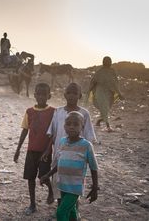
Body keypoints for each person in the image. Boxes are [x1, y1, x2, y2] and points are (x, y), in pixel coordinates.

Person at [41, 83, 97, 213]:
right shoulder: (58, 112)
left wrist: (85, 157)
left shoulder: (84, 113)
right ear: (65, 94)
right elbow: (53, 133)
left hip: (76, 160)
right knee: (59, 187)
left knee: (72, 190)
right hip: (60, 157)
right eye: (69, 93)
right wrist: (47, 150)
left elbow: (88, 136)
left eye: (75, 93)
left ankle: (67, 213)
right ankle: (67, 212)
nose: (71, 96)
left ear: (80, 95)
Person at [13, 83, 55, 215]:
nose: (41, 96)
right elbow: (25, 130)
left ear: (49, 96)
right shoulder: (29, 112)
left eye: (44, 94)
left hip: (45, 152)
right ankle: (32, 204)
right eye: (39, 94)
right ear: (35, 95)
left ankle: (51, 190)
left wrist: (48, 150)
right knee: (30, 178)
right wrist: (18, 149)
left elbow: (53, 133)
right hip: (31, 151)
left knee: (44, 176)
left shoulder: (53, 112)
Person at [89, 56, 124, 131]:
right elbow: (93, 81)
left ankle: (99, 121)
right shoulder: (99, 72)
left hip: (109, 93)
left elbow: (115, 83)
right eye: (107, 61)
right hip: (100, 93)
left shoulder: (112, 71)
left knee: (106, 109)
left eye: (109, 61)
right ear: (104, 62)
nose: (108, 62)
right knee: (104, 108)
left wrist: (119, 93)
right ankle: (108, 126)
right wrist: (89, 91)